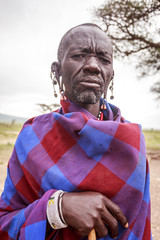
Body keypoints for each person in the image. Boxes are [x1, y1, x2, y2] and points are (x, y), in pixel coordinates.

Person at [0, 23, 151, 240]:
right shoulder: (33, 136)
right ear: (57, 70)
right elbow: (4, 223)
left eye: (103, 59)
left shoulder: (132, 141)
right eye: (79, 55)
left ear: (111, 75)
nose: (93, 66)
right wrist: (57, 209)